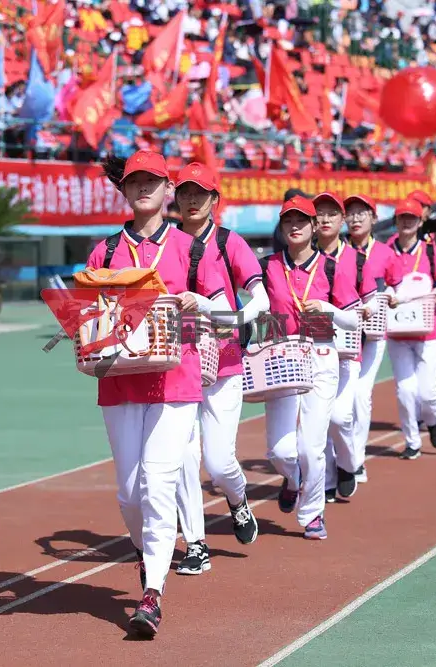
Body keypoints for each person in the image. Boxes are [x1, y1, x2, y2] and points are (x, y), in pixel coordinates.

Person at [87, 150, 230, 638]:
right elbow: (89, 319)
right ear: (124, 191)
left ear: (168, 189)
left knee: (158, 481)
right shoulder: (105, 252)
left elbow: (227, 313)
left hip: (177, 380)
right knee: (130, 493)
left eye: (153, 181)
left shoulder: (192, 248)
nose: (144, 188)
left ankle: (152, 594)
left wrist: (201, 302)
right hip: (120, 381)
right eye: (135, 182)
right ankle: (147, 554)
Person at [173, 162, 266, 576]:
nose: (192, 200)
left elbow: (261, 299)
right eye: (185, 192)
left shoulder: (229, 242)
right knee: (183, 457)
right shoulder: (165, 243)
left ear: (214, 199)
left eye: (200, 193)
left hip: (224, 363)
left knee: (218, 461)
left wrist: (233, 319)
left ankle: (237, 499)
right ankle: (196, 543)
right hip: (176, 363)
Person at [262, 195, 362, 539]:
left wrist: (327, 308)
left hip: (321, 357)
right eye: (288, 221)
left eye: (301, 221)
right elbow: (257, 306)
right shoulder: (268, 266)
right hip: (282, 358)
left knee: (311, 446)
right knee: (280, 451)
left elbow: (354, 319)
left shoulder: (332, 268)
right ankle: (293, 479)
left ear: (313, 226)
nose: (294, 227)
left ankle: (312, 513)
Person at [385, 199, 436, 459]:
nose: (407, 222)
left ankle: (434, 418)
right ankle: (412, 442)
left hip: (430, 332)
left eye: (412, 217)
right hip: (397, 332)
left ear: (420, 222)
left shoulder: (430, 251)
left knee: (427, 392)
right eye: (402, 217)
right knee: (405, 390)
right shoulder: (387, 250)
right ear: (395, 221)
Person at [312, 192, 370, 502]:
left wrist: (367, 309)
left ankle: (348, 463)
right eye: (319, 213)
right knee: (318, 421)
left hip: (348, 350)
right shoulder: (304, 257)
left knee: (339, 417)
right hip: (315, 351)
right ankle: (327, 480)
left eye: (331, 213)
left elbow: (370, 298)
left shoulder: (356, 259)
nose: (324, 219)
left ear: (342, 220)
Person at [345, 193, 399, 483]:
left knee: (360, 395)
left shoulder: (385, 253)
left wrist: (390, 295)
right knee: (341, 400)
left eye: (361, 213)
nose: (355, 219)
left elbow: (396, 284)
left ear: (374, 219)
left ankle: (356, 460)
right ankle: (338, 458)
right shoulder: (337, 250)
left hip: (374, 333)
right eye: (350, 213)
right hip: (344, 333)